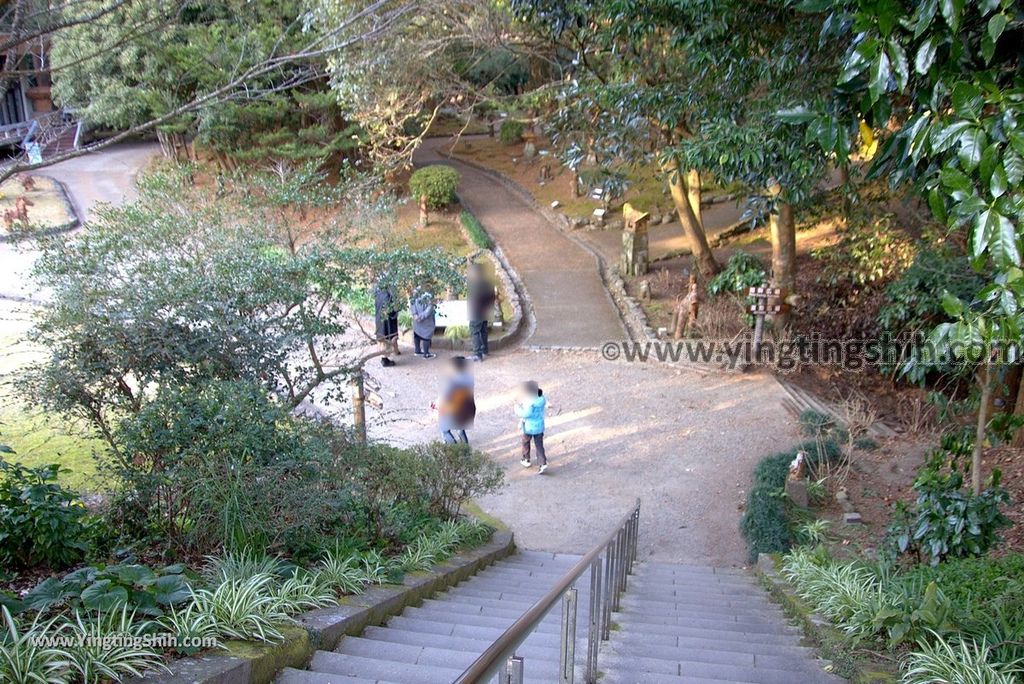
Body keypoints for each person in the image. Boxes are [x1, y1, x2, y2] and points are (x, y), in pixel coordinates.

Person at [435, 356, 476, 443]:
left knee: (444, 429)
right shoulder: (469, 378)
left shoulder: (451, 382)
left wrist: (435, 405)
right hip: (467, 409)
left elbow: (445, 398)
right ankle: (465, 447)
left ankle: (453, 447)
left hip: (454, 411)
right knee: (460, 428)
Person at [515, 380, 548, 474]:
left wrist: (517, 407)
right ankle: (542, 463)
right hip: (539, 426)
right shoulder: (541, 399)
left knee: (525, 442)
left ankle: (526, 459)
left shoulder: (530, 402)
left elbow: (526, 414)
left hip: (528, 427)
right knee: (539, 445)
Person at [467, 262, 496, 362]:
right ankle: (484, 350)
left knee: (474, 331)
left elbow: (475, 298)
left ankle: (477, 354)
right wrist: (488, 307)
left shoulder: (475, 284)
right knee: (483, 330)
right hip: (485, 310)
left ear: (475, 272)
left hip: (476, 311)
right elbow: (492, 296)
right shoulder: (487, 282)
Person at [373, 279, 399, 367]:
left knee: (382, 340)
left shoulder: (378, 293)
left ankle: (386, 357)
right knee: (386, 340)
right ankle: (385, 360)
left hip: (379, 321)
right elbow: (390, 311)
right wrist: (396, 312)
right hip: (386, 323)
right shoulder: (387, 296)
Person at [410, 289, 436, 359]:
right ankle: (426, 354)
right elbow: (429, 308)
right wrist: (421, 316)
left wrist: (415, 314)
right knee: (427, 335)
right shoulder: (429, 295)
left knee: (417, 332)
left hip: (416, 318)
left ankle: (417, 351)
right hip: (426, 319)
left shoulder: (415, 291)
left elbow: (412, 303)